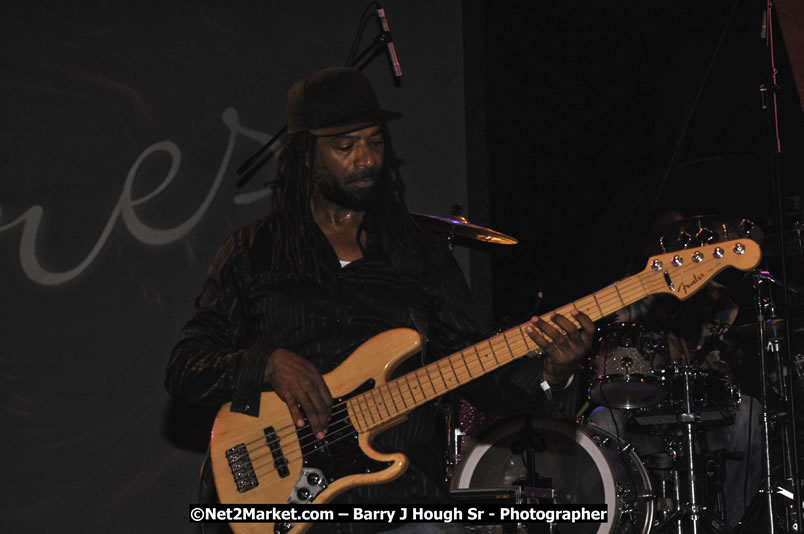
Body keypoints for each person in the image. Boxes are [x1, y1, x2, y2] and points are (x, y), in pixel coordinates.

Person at [165, 66, 595, 534]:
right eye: (345, 146)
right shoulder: (251, 254)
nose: (367, 159)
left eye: (375, 142)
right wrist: (268, 364)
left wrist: (553, 372)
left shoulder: (418, 256)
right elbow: (186, 366)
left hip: (400, 506)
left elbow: (476, 366)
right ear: (306, 155)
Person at [587, 210, 762, 531]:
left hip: (702, 418)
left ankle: (737, 522)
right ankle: (622, 521)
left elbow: (732, 370)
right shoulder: (630, 296)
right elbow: (606, 375)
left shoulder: (720, 301)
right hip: (641, 420)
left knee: (751, 412)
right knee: (600, 418)